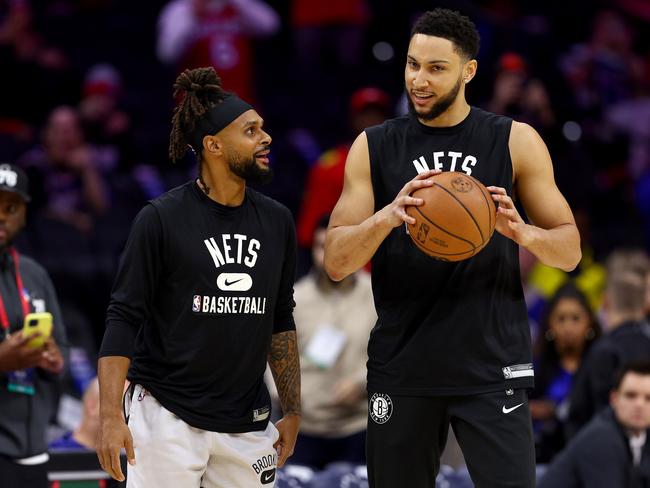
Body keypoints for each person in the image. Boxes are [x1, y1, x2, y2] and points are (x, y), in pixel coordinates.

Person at [323, 8, 581, 488]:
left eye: (436, 68)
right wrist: (386, 215)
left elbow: (570, 252)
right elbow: (336, 263)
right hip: (403, 366)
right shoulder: (373, 147)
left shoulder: (513, 140)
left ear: (469, 71)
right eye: (412, 64)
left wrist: (522, 233)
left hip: (491, 366)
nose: (419, 80)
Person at [96, 67, 301, 487]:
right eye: (250, 131)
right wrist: (109, 416)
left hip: (246, 422)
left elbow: (280, 320)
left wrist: (294, 410)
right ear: (213, 145)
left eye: (263, 128)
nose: (266, 138)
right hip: (167, 417)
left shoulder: (278, 221)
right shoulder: (160, 219)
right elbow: (123, 318)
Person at [286, 215, 376, 469]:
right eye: (320, 247)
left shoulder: (377, 297)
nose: (327, 255)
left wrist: (362, 383)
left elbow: (395, 357)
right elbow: (271, 357)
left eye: (335, 245)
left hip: (359, 427)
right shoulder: (295, 300)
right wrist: (292, 399)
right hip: (305, 430)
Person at [0, 163, 67, 488]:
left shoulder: (34, 274)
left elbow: (64, 351)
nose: (2, 216)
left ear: (24, 214)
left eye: (10, 208)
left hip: (35, 452)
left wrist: (54, 360)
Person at [538, 361, 650, 488]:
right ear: (614, 399)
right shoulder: (602, 439)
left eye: (648, 398)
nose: (639, 405)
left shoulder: (640, 435)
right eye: (631, 396)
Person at [567, 267, 650, 437]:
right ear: (645, 305)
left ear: (605, 302)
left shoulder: (603, 351)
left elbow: (582, 413)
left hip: (606, 452)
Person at [529, 283, 601, 462]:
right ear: (549, 325)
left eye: (575, 318)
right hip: (541, 455)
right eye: (561, 319)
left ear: (589, 323)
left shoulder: (602, 364)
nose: (568, 327)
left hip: (590, 452)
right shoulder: (534, 365)